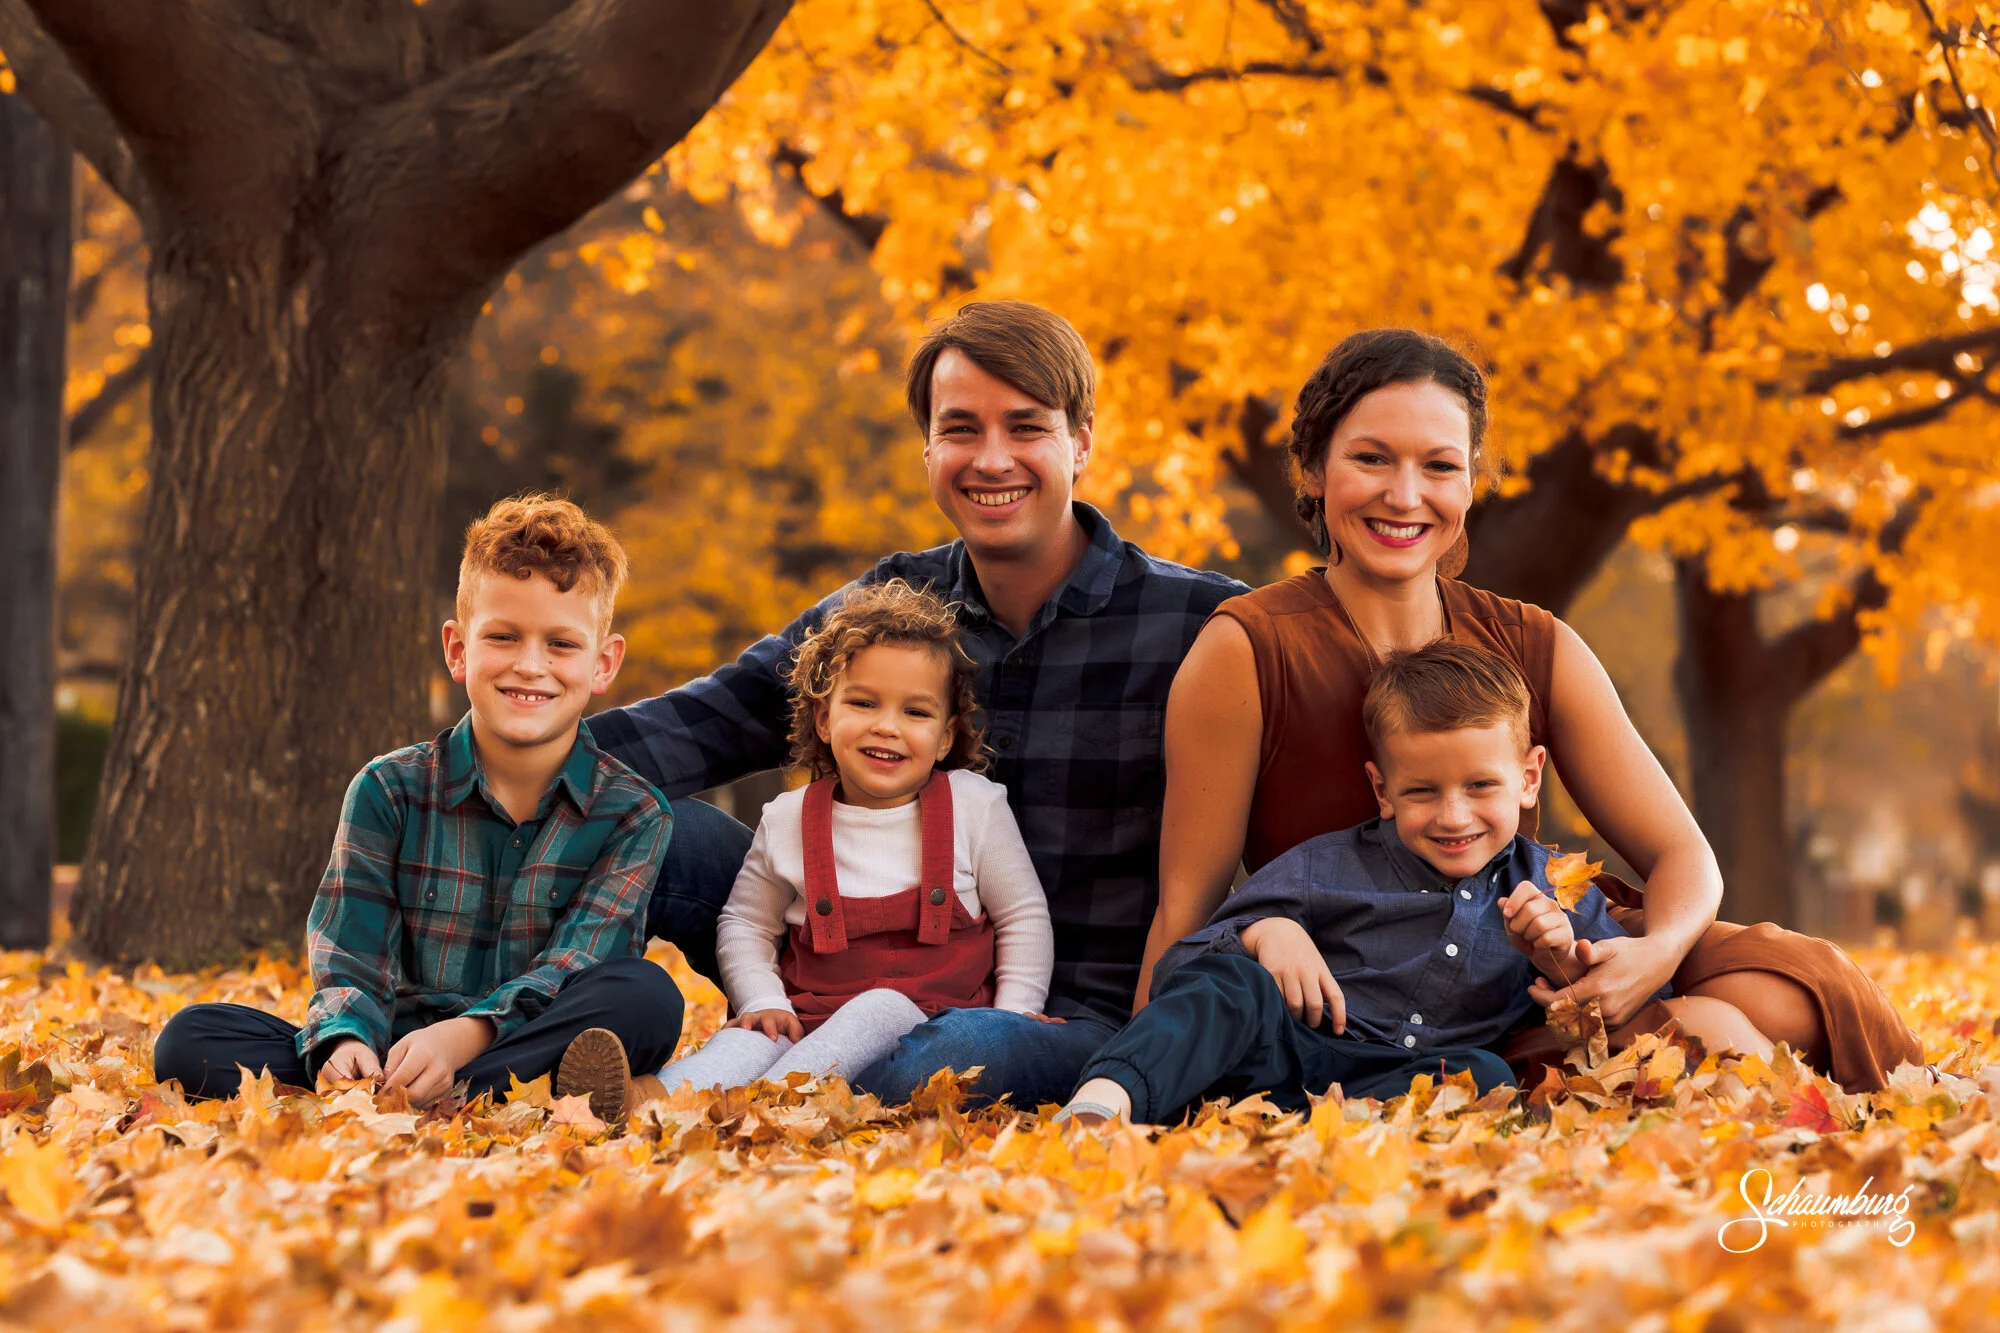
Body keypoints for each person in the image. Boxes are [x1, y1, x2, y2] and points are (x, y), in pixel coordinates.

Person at [1137, 329, 1923, 1094]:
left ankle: (1908, 1101)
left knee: (1793, 989)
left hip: (1541, 958)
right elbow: (1187, 906)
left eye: (1439, 466)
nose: (1404, 495)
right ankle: (1664, 1058)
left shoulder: (1534, 640)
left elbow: (1684, 853)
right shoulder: (1248, 649)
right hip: (1391, 1012)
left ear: (1472, 481)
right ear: (1312, 469)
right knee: (1716, 1035)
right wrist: (1146, 1073)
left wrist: (1656, 951)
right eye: (1371, 458)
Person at [587, 301, 1247, 1106]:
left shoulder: (1201, 625)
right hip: (837, 961)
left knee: (940, 1057)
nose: (992, 459)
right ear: (929, 447)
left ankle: (762, 1080)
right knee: (643, 819)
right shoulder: (893, 608)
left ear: (1081, 441)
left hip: (1058, 1015)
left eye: (1027, 427)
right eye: (962, 428)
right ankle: (520, 1024)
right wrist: (481, 771)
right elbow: (714, 717)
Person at [1061, 642, 1771, 1125]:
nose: (1453, 815)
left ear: (1528, 778)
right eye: (1423, 790)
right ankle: (1103, 1101)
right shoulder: (1328, 866)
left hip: (1410, 1080)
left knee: (1488, 1073)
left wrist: (1560, 957)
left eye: (1481, 786)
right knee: (1229, 988)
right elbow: (1184, 963)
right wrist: (1264, 932)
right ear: (1382, 788)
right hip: (1292, 1047)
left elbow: (1616, 1000)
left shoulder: (1554, 888)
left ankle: (1329, 1139)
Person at [152, 496, 684, 1105]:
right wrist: (344, 1039)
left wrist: (466, 1036)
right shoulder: (390, 789)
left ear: (603, 663)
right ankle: (477, 1096)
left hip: (526, 1036)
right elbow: (350, 949)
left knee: (646, 998)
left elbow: (575, 965)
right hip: (393, 1051)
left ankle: (451, 1092)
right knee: (190, 1040)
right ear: (458, 650)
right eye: (503, 637)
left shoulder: (632, 812)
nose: (531, 665)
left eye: (562, 644)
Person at [596, 580, 1054, 1096]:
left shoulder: (975, 806)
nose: (887, 726)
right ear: (824, 718)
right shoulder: (790, 819)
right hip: (808, 1025)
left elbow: (1022, 915)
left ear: (946, 736)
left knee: (882, 1005)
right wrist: (760, 1001)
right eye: (863, 703)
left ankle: (773, 1102)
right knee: (749, 1041)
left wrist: (1017, 1012)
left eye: (916, 712)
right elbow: (745, 922)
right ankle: (645, 1101)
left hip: (931, 1035)